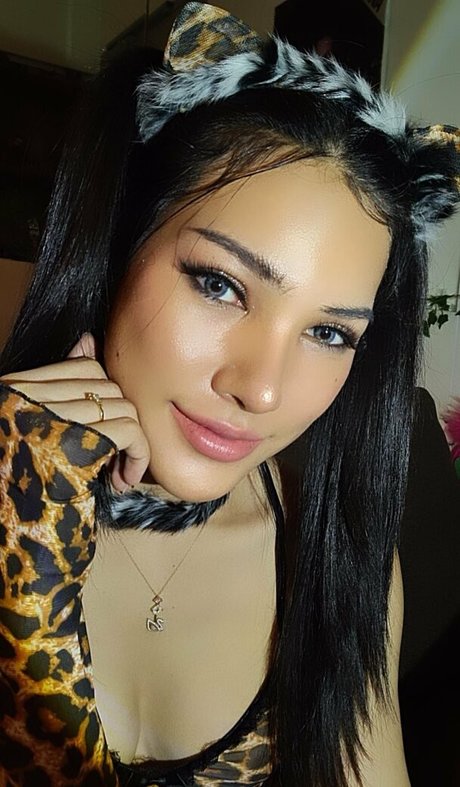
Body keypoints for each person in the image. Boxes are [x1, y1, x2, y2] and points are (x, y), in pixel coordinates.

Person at [0, 4, 458, 786]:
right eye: (220, 285)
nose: (262, 388)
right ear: (121, 241)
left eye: (329, 332)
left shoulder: (333, 558)